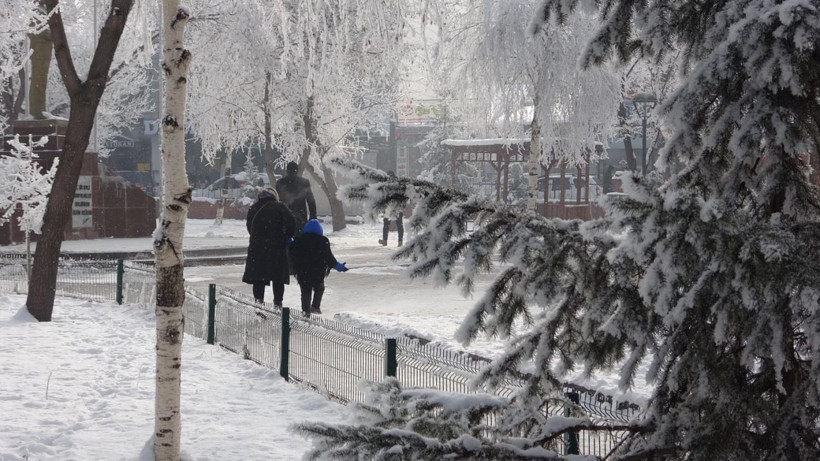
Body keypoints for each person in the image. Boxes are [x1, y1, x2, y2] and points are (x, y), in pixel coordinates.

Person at [242, 187, 296, 307]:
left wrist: (259, 237)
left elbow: (250, 227)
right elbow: (292, 222)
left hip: (257, 248)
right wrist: (287, 236)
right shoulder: (280, 207)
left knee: (259, 278)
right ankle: (278, 304)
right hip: (277, 248)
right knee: (278, 278)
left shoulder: (254, 208)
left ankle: (259, 304)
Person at [290, 219, 348, 316]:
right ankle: (315, 307)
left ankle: (305, 311)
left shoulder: (299, 240)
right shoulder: (323, 241)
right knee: (319, 288)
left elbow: (293, 255)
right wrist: (338, 266)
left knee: (305, 291)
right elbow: (329, 257)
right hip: (318, 272)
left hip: (303, 271)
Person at [276, 161, 317, 235]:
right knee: (300, 241)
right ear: (297, 170)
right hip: (301, 217)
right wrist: (313, 218)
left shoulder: (280, 183)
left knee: (286, 241)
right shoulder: (304, 182)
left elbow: (277, 202)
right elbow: (311, 201)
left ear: (287, 170)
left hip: (285, 218)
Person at [378, 171, 404, 247]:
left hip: (389, 206)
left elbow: (384, 196)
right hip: (398, 206)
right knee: (399, 224)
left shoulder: (386, 184)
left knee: (386, 223)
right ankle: (400, 241)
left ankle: (385, 240)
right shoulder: (399, 184)